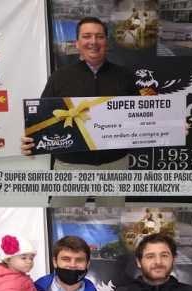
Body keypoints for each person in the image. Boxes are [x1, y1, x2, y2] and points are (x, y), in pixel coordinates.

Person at [21, 17, 137, 207]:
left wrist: (170, 127)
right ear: (77, 43)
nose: (93, 41)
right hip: (70, 165)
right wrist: (31, 138)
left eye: (99, 36)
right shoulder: (59, 77)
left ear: (106, 42)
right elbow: (42, 117)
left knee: (113, 214)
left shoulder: (126, 77)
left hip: (114, 164)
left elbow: (145, 115)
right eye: (87, 36)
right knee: (61, 212)